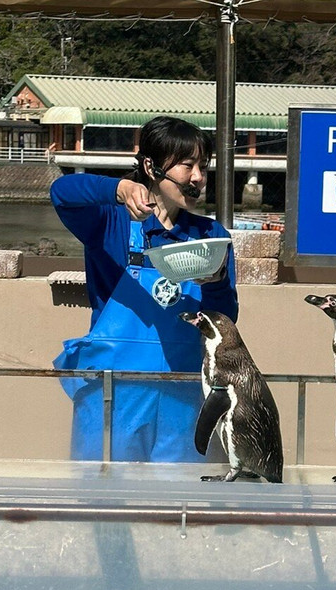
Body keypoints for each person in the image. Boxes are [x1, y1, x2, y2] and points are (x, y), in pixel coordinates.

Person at [51, 116, 238, 462]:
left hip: (185, 396)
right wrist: (119, 190)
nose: (198, 177)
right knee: (106, 502)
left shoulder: (211, 235)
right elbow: (61, 194)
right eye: (187, 165)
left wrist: (215, 285)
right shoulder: (112, 221)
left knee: (184, 507)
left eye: (203, 166)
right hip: (114, 392)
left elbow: (226, 320)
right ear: (151, 166)